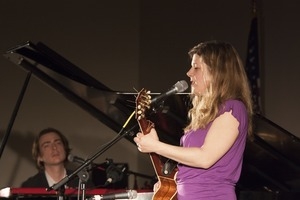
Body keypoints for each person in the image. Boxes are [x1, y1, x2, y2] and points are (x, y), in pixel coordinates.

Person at [134, 40, 253, 199]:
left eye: (196, 67)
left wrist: (156, 146)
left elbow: (205, 158)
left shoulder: (233, 108)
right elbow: (193, 170)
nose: (189, 73)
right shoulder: (205, 115)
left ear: (218, 72)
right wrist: (173, 182)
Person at [21, 127, 92, 189]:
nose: (54, 147)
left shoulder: (81, 180)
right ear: (39, 156)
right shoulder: (30, 186)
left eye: (58, 143)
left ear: (65, 148)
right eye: (47, 145)